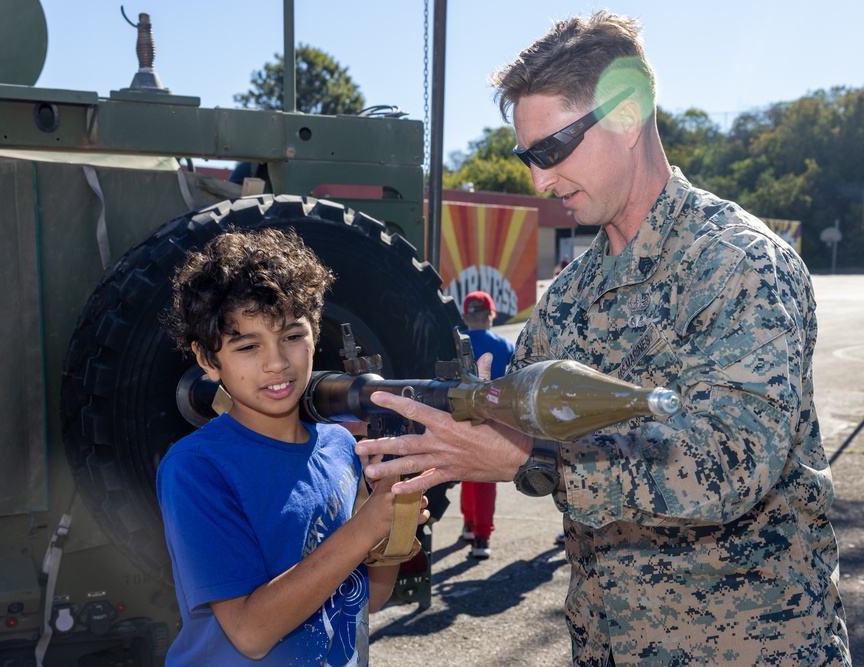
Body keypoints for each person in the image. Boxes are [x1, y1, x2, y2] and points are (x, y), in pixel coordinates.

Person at [355, 11, 851, 665]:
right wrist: (446, 423)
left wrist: (535, 455)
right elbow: (530, 449)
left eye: (553, 150)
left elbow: (732, 459)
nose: (539, 180)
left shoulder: (734, 261)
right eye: (528, 157)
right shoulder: (568, 298)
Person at [156, 227, 427, 665]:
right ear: (208, 360)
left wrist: (395, 516)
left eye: (292, 336)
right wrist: (365, 527)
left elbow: (370, 598)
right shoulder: (196, 467)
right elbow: (250, 633)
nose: (277, 362)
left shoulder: (341, 446)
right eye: (247, 345)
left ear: (315, 334)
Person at [458, 290, 514, 559]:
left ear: (465, 316)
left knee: (464, 469)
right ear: (491, 315)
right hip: (493, 416)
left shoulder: (456, 342)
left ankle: (469, 523)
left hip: (460, 413)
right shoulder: (504, 345)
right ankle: (482, 536)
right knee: (484, 477)